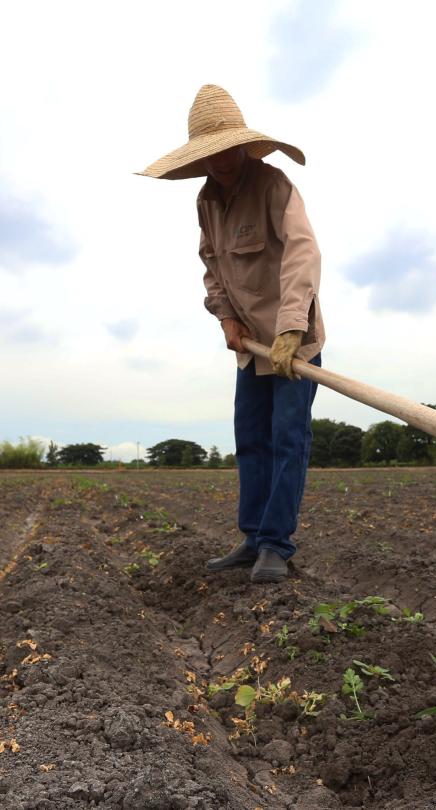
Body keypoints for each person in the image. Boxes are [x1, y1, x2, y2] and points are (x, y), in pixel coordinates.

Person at [140, 84, 325, 584]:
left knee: (288, 440)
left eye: (226, 151)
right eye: (209, 155)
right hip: (250, 349)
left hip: (292, 345)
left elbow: (301, 254)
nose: (219, 162)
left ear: (243, 146)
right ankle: (252, 537)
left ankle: (275, 545)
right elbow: (211, 267)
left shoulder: (273, 186)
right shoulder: (207, 201)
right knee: (251, 441)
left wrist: (290, 329)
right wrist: (226, 319)